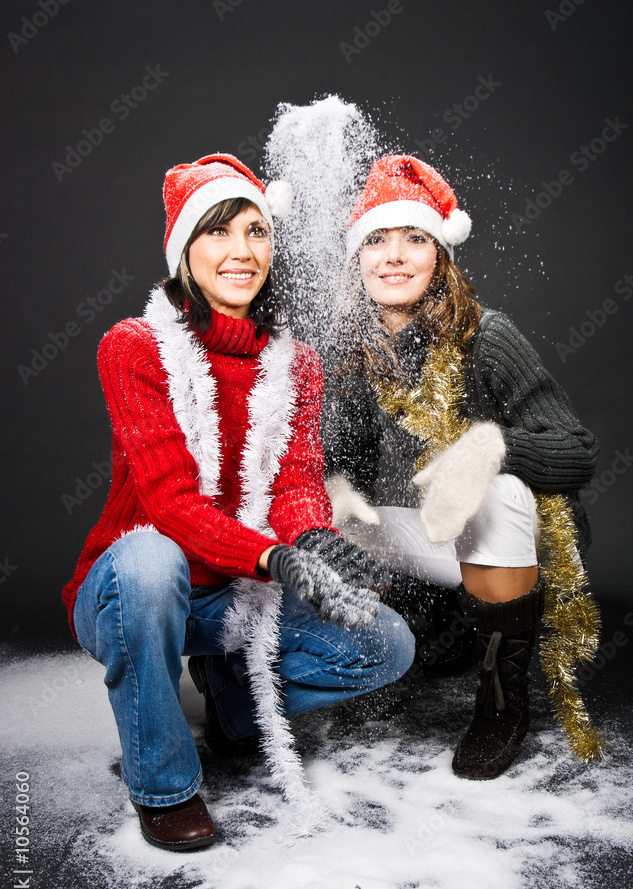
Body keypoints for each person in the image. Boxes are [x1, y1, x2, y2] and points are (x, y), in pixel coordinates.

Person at [62, 154, 414, 851]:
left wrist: (312, 540)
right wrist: (275, 557)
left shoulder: (296, 363)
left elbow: (293, 485)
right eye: (217, 234)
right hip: (131, 590)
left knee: (385, 644)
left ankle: (232, 703)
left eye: (255, 232)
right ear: (185, 253)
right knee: (151, 560)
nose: (240, 252)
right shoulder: (133, 348)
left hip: (234, 592)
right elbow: (169, 503)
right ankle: (163, 783)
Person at [322, 154, 603, 781]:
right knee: (319, 517)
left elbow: (579, 451)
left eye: (414, 238)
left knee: (498, 491)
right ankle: (384, 661)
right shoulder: (351, 352)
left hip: (514, 542)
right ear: (358, 259)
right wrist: (336, 491)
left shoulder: (487, 336)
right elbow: (335, 460)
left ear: (440, 256)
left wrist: (491, 449)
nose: (394, 256)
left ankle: (502, 706)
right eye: (377, 240)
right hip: (430, 540)